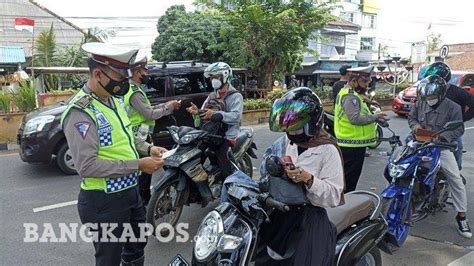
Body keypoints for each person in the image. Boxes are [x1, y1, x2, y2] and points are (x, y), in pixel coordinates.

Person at [61, 42, 166, 265]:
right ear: (98, 74)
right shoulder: (81, 112)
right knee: (109, 259)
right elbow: (87, 166)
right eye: (119, 79)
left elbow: (125, 135)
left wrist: (148, 148)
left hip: (130, 193)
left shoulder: (113, 100)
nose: (124, 84)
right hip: (104, 202)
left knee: (137, 245)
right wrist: (139, 164)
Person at [256, 87, 344, 265]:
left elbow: (334, 196)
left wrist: (309, 180)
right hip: (282, 211)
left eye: (296, 128)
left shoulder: (328, 150)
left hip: (310, 217)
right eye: (288, 127)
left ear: (313, 123)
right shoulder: (289, 143)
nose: (291, 132)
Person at [408, 74, 471, 238]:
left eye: (432, 96)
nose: (429, 99)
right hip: (420, 145)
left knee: (455, 179)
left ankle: (462, 217)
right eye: (426, 96)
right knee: (401, 168)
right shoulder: (420, 103)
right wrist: (416, 127)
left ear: (441, 94)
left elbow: (458, 129)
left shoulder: (453, 107)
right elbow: (412, 117)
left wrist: (443, 137)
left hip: (440, 147)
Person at [121, 54, 181, 205]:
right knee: (144, 174)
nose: (146, 75)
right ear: (137, 72)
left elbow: (147, 109)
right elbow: (149, 113)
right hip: (138, 137)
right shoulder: (134, 91)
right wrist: (169, 107)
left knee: (143, 174)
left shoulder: (133, 89)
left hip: (139, 135)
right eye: (144, 71)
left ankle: (142, 203)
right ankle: (143, 205)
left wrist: (166, 105)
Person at [186, 62, 243, 203]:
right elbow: (206, 112)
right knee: (194, 159)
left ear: (225, 76)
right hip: (210, 134)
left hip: (226, 136)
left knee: (226, 170)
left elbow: (236, 116)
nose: (213, 80)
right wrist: (197, 112)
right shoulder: (212, 95)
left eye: (215, 76)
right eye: (211, 78)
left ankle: (232, 197)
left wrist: (219, 114)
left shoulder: (235, 96)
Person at [334, 66, 389, 192]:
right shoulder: (350, 97)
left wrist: (369, 101)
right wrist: (375, 117)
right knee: (349, 181)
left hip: (351, 143)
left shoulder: (350, 93)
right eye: (364, 82)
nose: (366, 85)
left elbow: (359, 98)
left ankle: (345, 205)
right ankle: (346, 207)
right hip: (351, 145)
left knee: (348, 179)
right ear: (354, 81)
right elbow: (355, 119)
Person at [418, 61, 474, 171]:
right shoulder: (427, 90)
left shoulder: (458, 92)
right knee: (412, 144)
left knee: (457, 148)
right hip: (430, 128)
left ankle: (456, 172)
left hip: (450, 130)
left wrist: (462, 119)